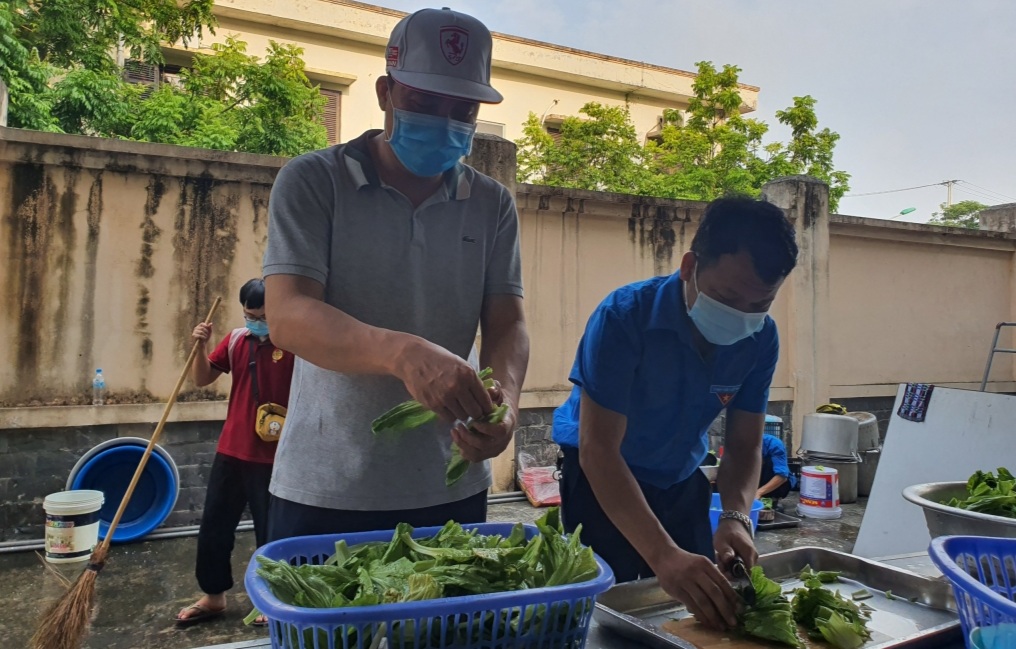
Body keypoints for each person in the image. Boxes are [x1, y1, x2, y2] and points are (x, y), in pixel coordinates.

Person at [260, 8, 529, 539]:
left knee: (447, 626)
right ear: (385, 92)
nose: (444, 119)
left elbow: (508, 323)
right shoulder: (313, 181)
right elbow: (288, 316)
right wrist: (401, 353)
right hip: (328, 485)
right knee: (328, 626)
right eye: (425, 102)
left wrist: (509, 412)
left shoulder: (492, 204)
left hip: (452, 485)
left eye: (462, 108)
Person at [552, 197, 798, 630]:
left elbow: (744, 444)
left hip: (682, 476)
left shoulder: (761, 339)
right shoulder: (624, 316)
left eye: (759, 305)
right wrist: (663, 555)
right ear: (689, 267)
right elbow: (599, 450)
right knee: (607, 612)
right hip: (602, 477)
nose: (741, 316)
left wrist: (736, 517)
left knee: (707, 599)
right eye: (726, 297)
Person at [176, 279, 295, 626]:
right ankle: (213, 597)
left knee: (270, 533)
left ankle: (271, 600)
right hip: (232, 449)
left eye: (261, 315)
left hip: (276, 456)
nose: (255, 321)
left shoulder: (294, 344)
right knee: (214, 526)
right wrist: (199, 346)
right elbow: (201, 379)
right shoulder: (235, 341)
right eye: (248, 315)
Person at [757, 433, 796, 504]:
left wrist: (759, 492)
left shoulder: (773, 443)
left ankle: (772, 498)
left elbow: (782, 477)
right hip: (753, 481)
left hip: (778, 484)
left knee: (770, 462)